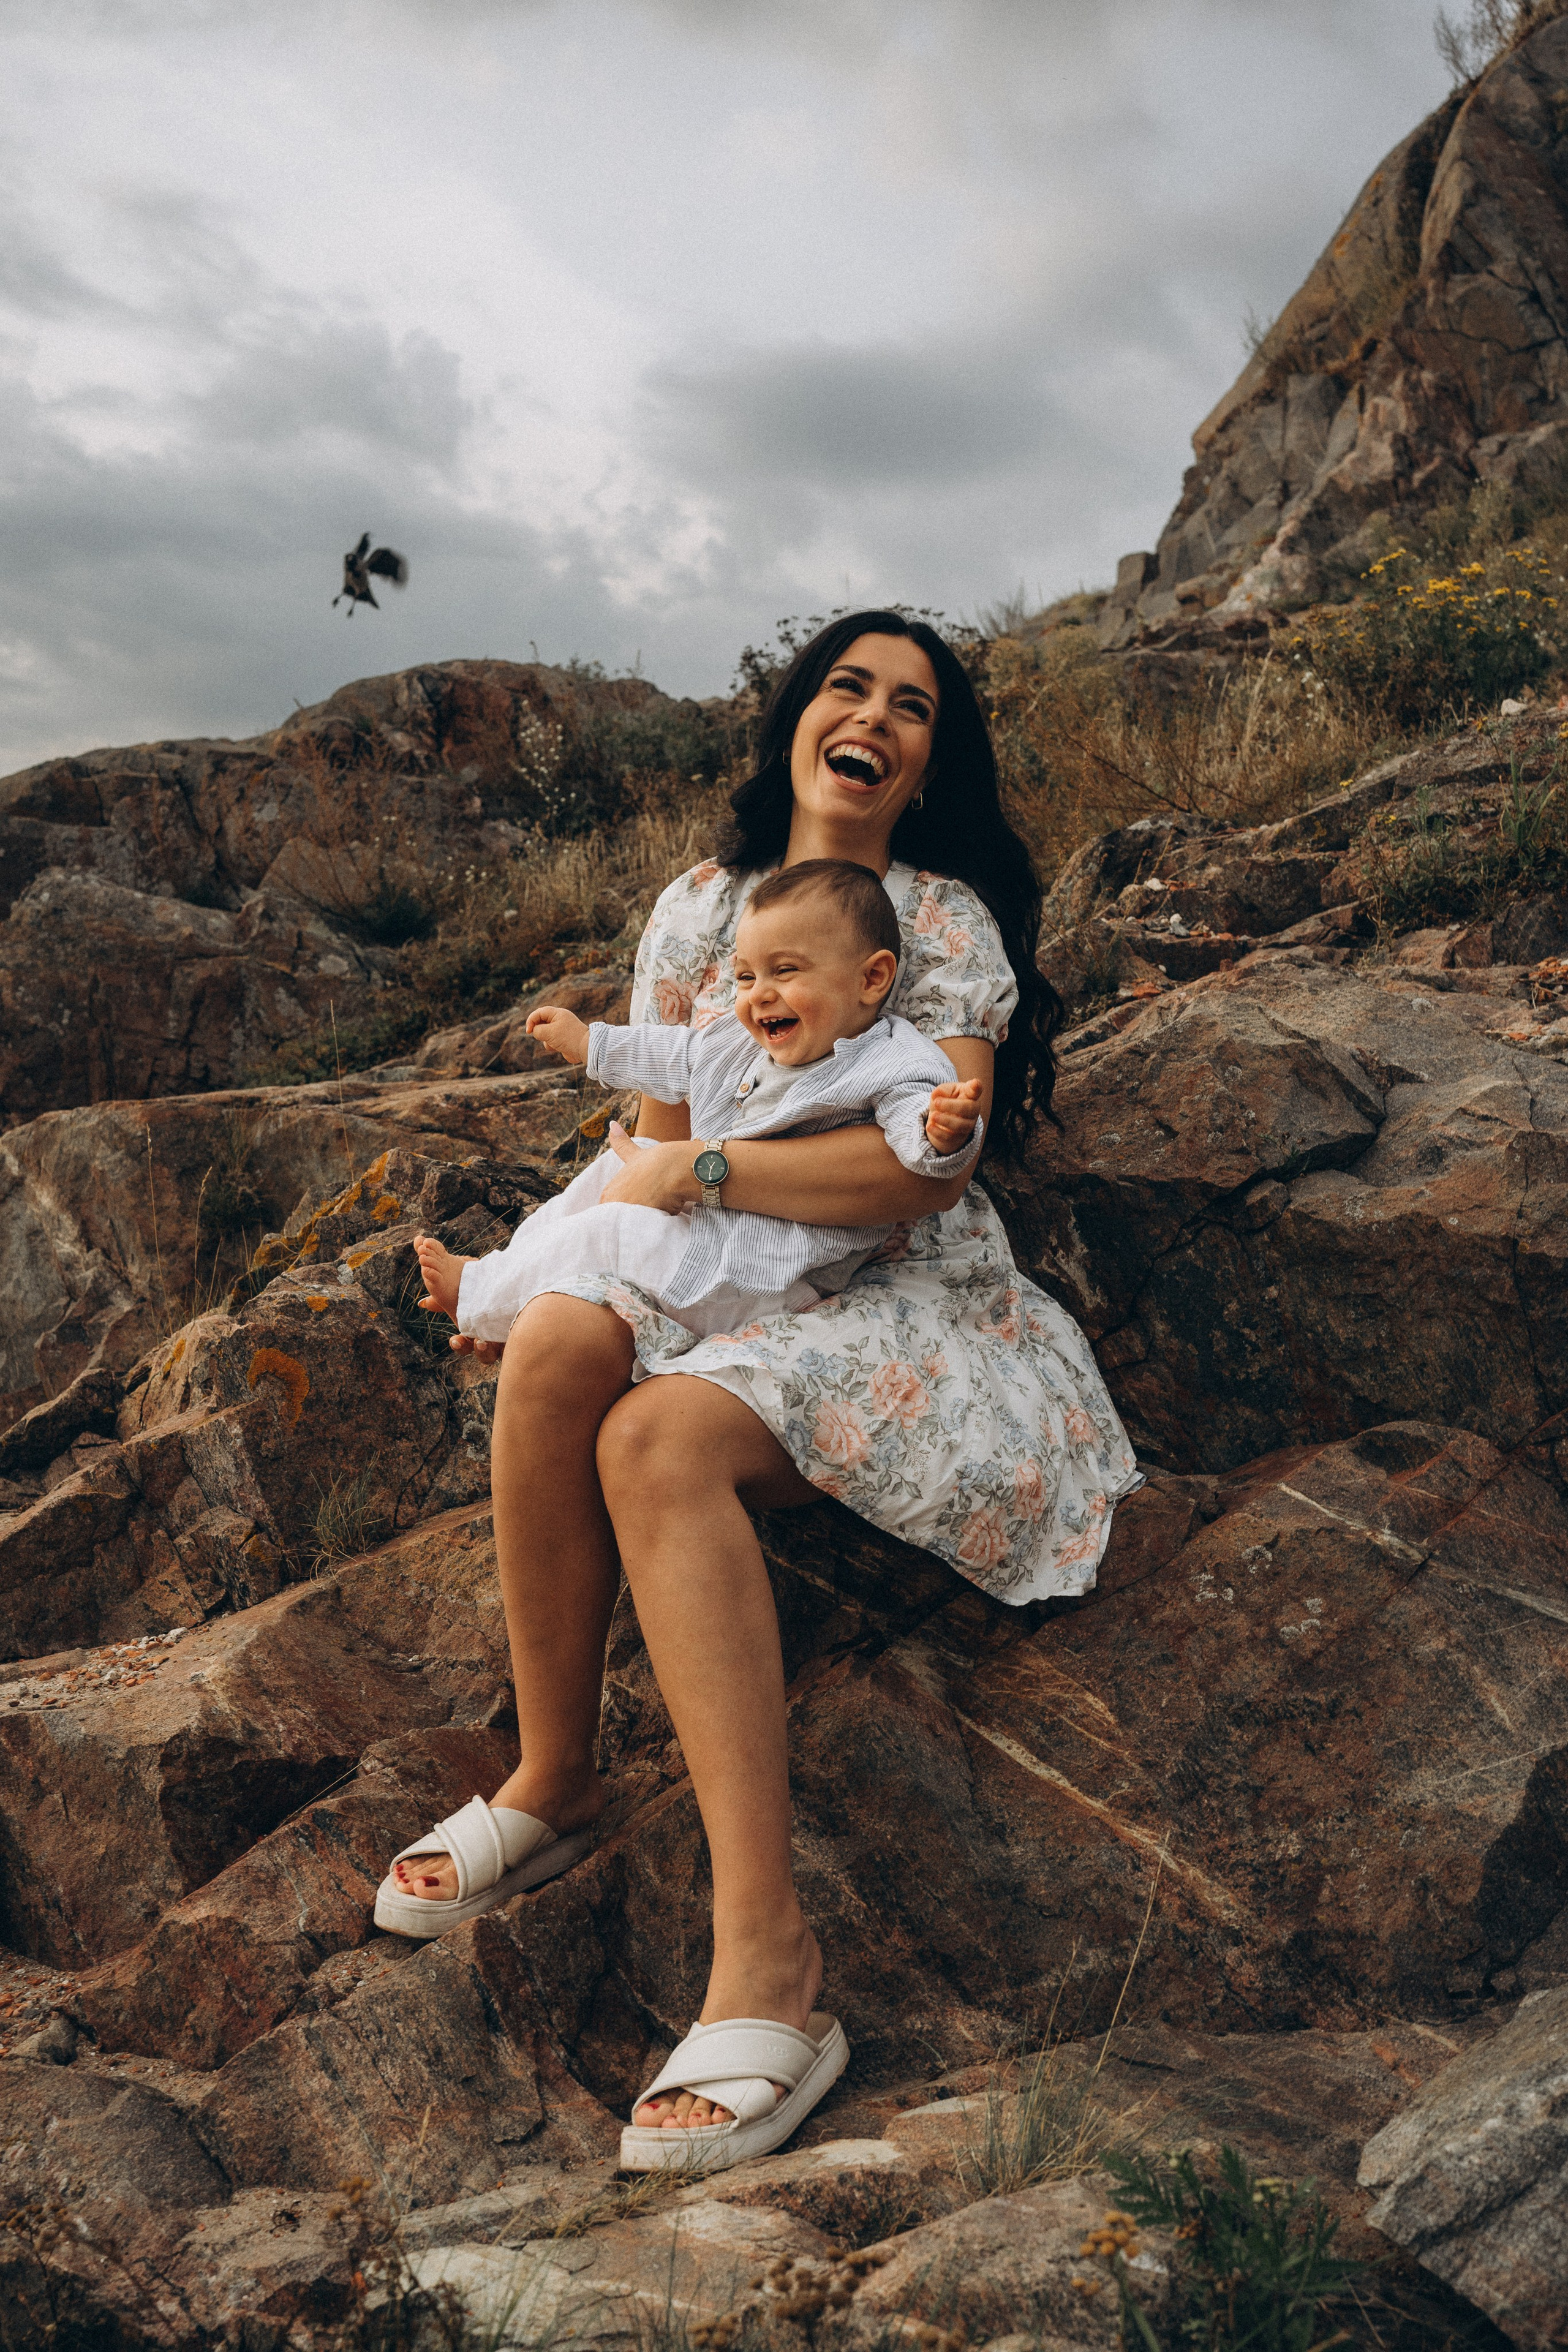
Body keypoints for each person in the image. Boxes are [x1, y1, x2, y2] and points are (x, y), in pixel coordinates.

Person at [371, 611, 1141, 2175]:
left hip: (892, 1283)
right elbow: (649, 1144)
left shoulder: (939, 927)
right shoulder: (696, 912)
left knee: (653, 1437)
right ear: (796, 718)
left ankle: (768, 1973)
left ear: (928, 762)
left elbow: (913, 1174)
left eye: (912, 706)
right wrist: (550, 1272)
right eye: (847, 687)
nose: (875, 717)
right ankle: (552, 1772)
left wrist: (705, 1165)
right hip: (722, 1259)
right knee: (571, 1338)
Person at [407, 859, 987, 1352]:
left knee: (615, 1231)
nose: (760, 993)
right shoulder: (740, 1043)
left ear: (872, 979)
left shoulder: (893, 1057)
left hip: (767, 1271)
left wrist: (941, 1129)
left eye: (785, 971)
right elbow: (676, 1055)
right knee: (603, 1180)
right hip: (708, 1226)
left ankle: (484, 1297)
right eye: (744, 976)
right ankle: (503, 1282)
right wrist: (592, 1044)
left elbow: (915, 1137)